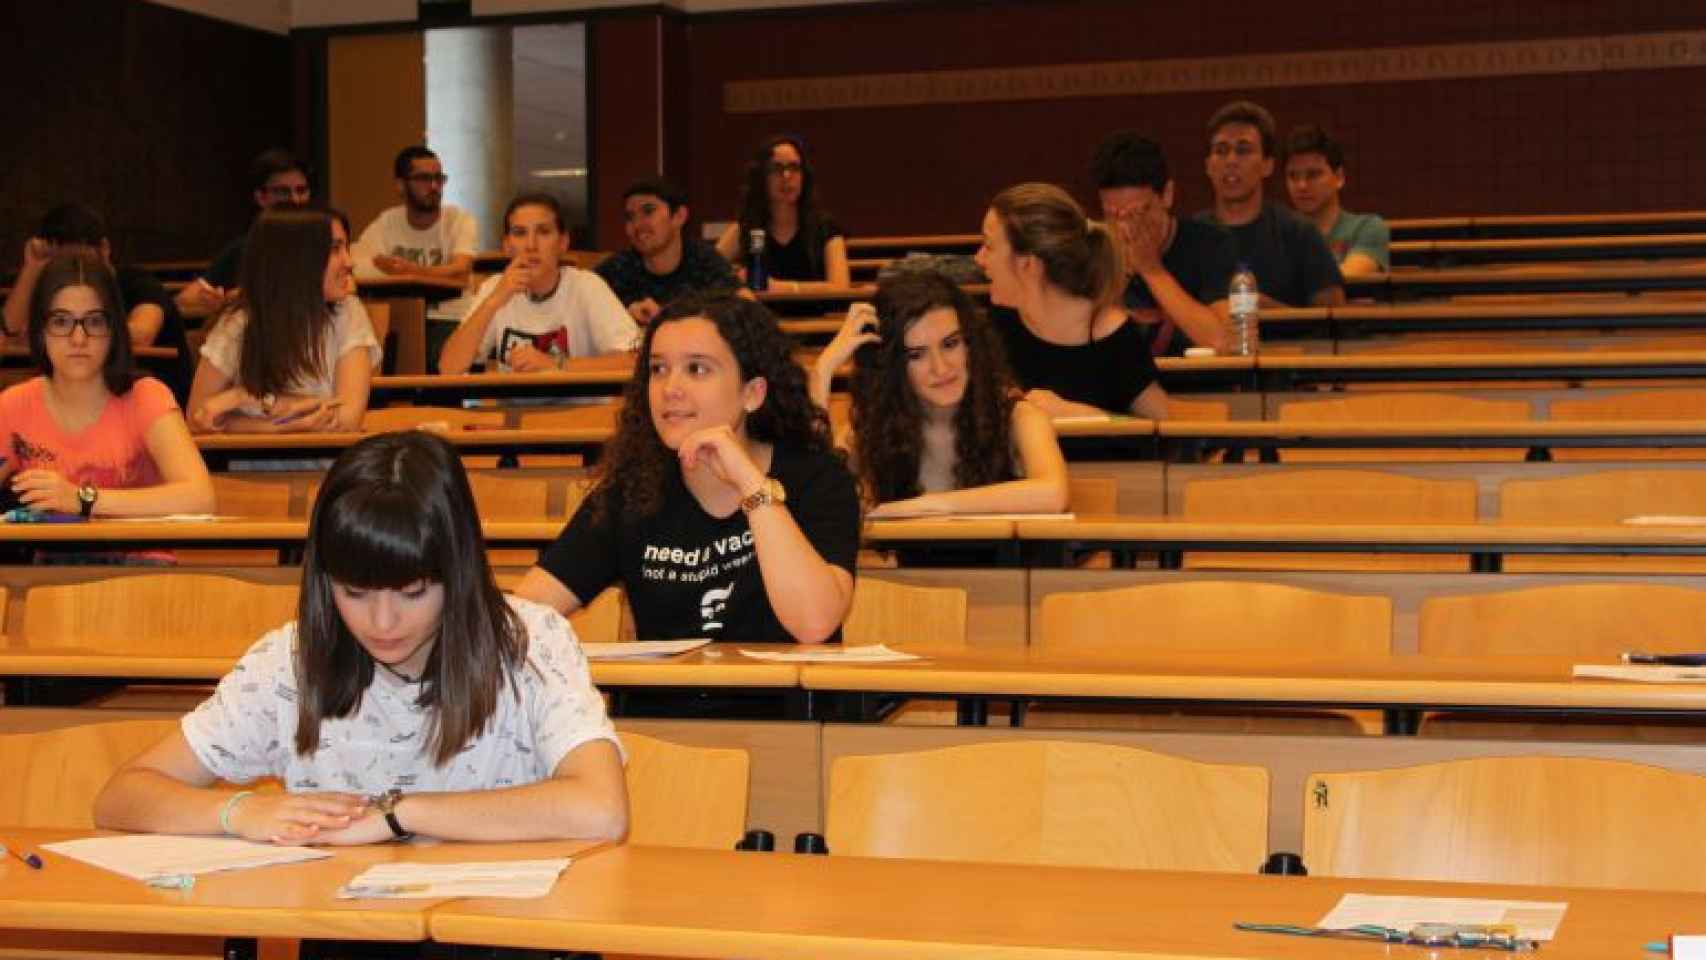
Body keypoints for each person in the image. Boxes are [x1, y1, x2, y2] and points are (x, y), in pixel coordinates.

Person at [93, 430, 627, 846]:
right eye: (354, 592)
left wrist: (399, 814)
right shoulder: (288, 663)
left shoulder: (532, 642)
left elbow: (601, 809)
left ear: (457, 571)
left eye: (413, 592)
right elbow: (122, 795)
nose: (382, 622)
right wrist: (238, 812)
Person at [515, 293, 859, 644]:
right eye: (658, 369)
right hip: (662, 700)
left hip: (781, 700)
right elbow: (524, 615)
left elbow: (814, 623)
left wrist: (750, 483)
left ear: (752, 394)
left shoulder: (817, 478)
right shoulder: (632, 491)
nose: (670, 389)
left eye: (697, 369)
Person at [810, 272, 1068, 519]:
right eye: (917, 355)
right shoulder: (874, 429)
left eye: (950, 344)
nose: (941, 368)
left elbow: (1053, 493)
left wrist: (928, 506)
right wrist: (822, 372)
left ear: (970, 345)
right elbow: (815, 500)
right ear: (893, 366)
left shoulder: (1017, 416)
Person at [0, 252, 213, 520]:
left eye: (94, 321)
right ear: (40, 331)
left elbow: (200, 497)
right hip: (47, 559)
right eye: (61, 321)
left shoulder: (146, 397)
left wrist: (81, 499)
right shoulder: (14, 404)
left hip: (138, 558)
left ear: (114, 330)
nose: (79, 338)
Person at [977, 183, 1168, 420]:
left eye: (988, 246)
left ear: (1029, 264)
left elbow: (1162, 430)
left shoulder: (1110, 334)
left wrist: (1082, 414)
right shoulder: (993, 327)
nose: (979, 258)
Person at [187, 208, 379, 434]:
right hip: (248, 468)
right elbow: (196, 419)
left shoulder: (348, 313)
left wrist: (248, 400)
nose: (349, 262)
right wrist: (278, 423)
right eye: (335, 250)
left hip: (323, 467)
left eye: (346, 248)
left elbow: (346, 420)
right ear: (296, 258)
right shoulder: (241, 322)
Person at [2, 203, 194, 401]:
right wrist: (32, 268)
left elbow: (142, 333)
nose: (74, 269)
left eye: (81, 258)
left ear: (104, 249)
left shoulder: (137, 282)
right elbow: (9, 332)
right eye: (63, 261)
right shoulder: (55, 290)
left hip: (150, 399)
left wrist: (72, 329)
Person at [438, 193, 637, 374]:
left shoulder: (586, 286)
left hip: (577, 410)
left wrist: (555, 364)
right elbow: (449, 367)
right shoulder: (495, 288)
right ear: (507, 246)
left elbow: (634, 360)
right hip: (511, 411)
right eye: (520, 233)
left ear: (563, 243)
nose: (531, 245)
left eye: (543, 232)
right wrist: (494, 301)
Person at [1092, 131, 1237, 357]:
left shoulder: (1210, 244)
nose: (1125, 227)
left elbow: (1222, 341)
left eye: (1139, 213)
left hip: (1201, 386)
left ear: (1167, 195)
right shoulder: (1092, 251)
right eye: (1113, 215)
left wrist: (1151, 270)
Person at [1196, 100, 1345, 307]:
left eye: (1243, 150)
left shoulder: (1300, 234)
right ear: (1208, 166)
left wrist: (1263, 309)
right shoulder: (1190, 237)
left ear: (1268, 165)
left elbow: (1333, 324)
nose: (1230, 161)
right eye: (1221, 151)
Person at [351, 144, 479, 352]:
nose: (435, 186)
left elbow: (460, 269)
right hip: (401, 321)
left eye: (439, 178)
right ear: (401, 185)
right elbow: (355, 262)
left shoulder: (459, 220)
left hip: (452, 318)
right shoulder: (387, 222)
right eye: (424, 179)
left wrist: (408, 270)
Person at [175, 148, 313, 321]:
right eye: (283, 192)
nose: (295, 200)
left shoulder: (324, 243)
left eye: (301, 191)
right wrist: (217, 302)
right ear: (261, 197)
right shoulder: (245, 248)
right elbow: (182, 302)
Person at [595, 177, 743, 325]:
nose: (637, 224)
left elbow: (746, 305)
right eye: (630, 217)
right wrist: (622, 313)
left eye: (648, 211)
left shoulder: (705, 262)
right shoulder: (616, 269)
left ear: (679, 216)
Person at [714, 135, 851, 293]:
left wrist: (783, 287)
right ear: (762, 178)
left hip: (816, 316)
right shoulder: (748, 227)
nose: (787, 176)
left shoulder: (826, 228)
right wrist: (735, 279)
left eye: (794, 168)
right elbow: (705, 273)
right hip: (761, 316)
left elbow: (841, 287)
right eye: (777, 169)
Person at [1284, 124, 1390, 277]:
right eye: (1293, 176)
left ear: (1339, 177)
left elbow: (1344, 281)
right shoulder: (1277, 234)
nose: (1302, 185)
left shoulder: (1367, 227)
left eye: (1313, 175)